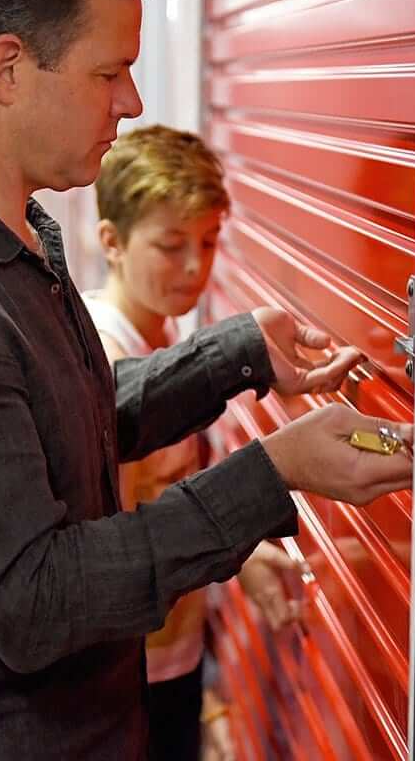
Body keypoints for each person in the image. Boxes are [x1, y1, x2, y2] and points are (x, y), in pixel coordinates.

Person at [0, 0, 414, 760]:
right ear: (9, 67)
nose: (132, 101)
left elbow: (60, 421)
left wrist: (237, 354)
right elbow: (38, 601)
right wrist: (270, 474)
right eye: (109, 73)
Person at [84, 125, 304, 761]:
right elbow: (119, 539)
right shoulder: (107, 360)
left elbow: (175, 498)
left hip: (172, 657)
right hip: (128, 677)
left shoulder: (166, 336)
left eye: (208, 243)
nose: (194, 266)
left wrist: (244, 556)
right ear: (112, 243)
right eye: (171, 244)